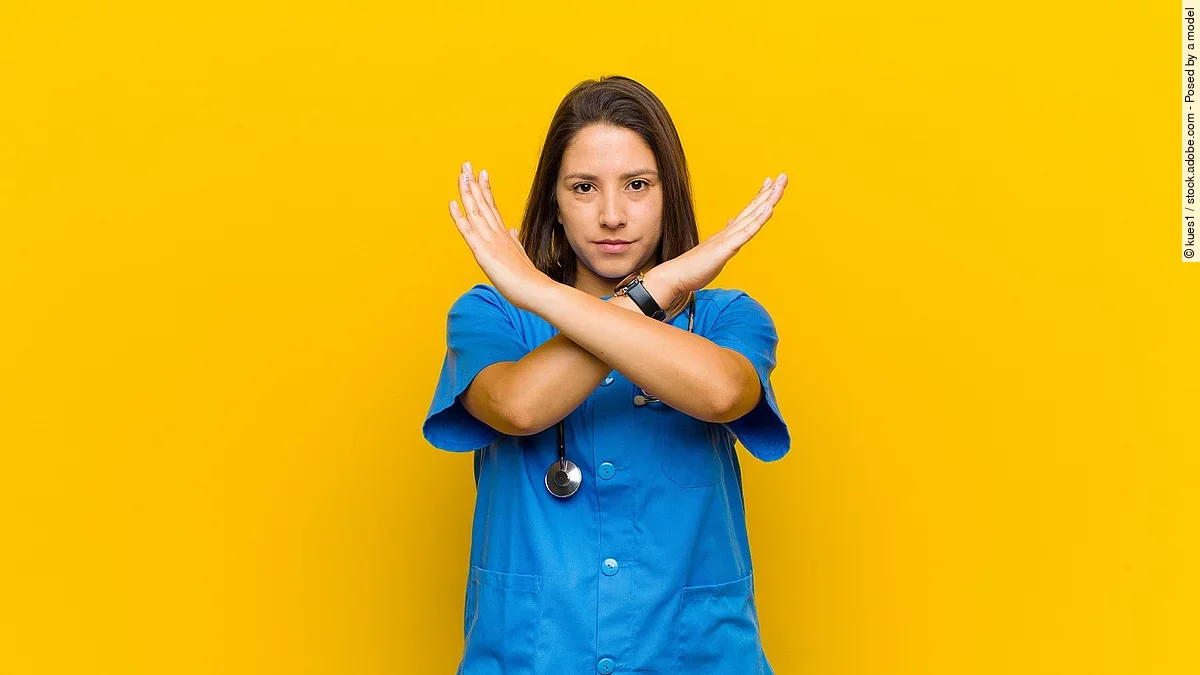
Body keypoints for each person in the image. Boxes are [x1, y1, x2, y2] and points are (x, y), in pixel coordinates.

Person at [422, 75, 791, 675]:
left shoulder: (727, 317)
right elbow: (519, 406)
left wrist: (543, 290)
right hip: (531, 659)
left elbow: (724, 393)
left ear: (669, 194)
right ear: (554, 205)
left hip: (696, 658)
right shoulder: (493, 313)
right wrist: (654, 292)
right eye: (584, 187)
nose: (612, 214)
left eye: (638, 185)